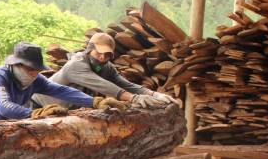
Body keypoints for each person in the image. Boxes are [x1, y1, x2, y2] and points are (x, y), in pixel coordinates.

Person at [0, 42, 96, 125]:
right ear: (16, 65)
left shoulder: (36, 80)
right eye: (30, 69)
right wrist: (36, 113)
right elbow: (4, 106)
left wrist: (95, 102)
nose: (34, 73)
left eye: (37, 70)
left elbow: (62, 91)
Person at [33, 32, 175, 109]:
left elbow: (124, 84)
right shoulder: (76, 65)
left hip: (64, 111)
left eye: (107, 54)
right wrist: (134, 98)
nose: (102, 57)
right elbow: (104, 85)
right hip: (36, 106)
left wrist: (154, 94)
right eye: (99, 52)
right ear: (90, 50)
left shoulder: (106, 67)